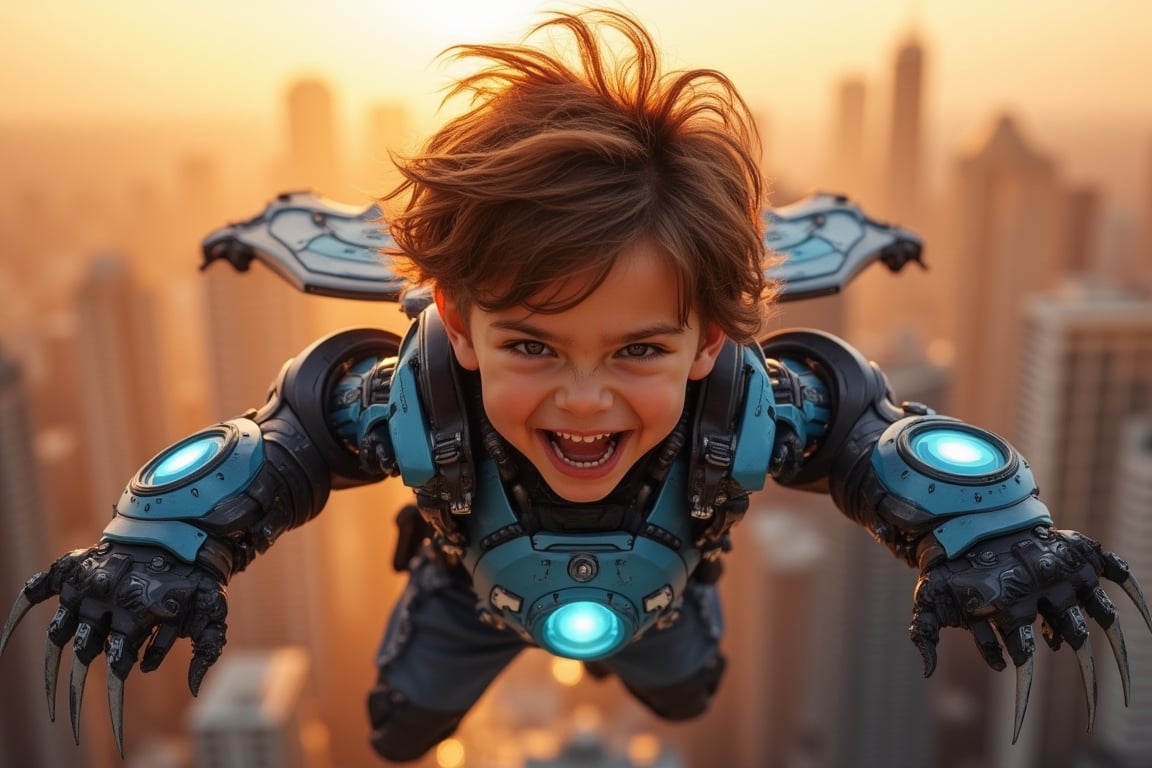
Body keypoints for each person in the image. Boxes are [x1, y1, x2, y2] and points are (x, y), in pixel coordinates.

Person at [1, 8, 1147, 764]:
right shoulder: (415, 400)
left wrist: (991, 533)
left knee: (688, 693)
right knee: (402, 731)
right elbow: (271, 446)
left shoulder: (745, 406)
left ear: (710, 338)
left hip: (668, 589)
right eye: (535, 347)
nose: (585, 401)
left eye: (640, 350)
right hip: (464, 589)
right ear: (454, 320)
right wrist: (157, 548)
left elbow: (874, 434)